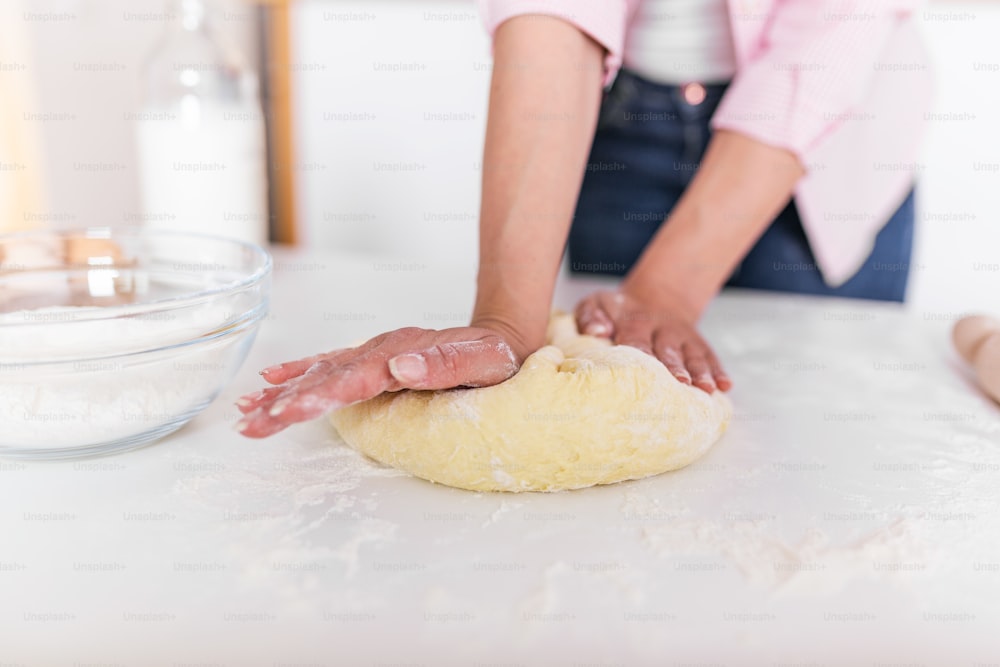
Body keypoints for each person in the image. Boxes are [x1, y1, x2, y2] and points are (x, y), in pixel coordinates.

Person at [237, 0, 932, 438]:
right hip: (621, 125)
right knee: (618, 413)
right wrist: (504, 322)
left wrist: (664, 291)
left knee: (820, 437)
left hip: (829, 142)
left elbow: (831, 31)